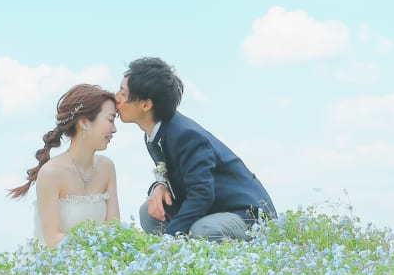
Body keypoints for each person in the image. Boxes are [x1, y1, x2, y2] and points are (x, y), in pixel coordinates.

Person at [115, 57, 277, 241]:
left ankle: (176, 252)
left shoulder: (186, 136)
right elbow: (174, 176)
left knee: (203, 231)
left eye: (123, 93)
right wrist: (159, 185)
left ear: (146, 104)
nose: (116, 98)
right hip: (215, 210)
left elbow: (202, 194)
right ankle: (178, 256)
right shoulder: (154, 132)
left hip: (248, 215)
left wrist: (168, 239)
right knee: (149, 211)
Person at [9, 84, 121, 247]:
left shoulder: (107, 167)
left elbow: (116, 231)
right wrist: (97, 248)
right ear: (84, 122)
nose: (114, 129)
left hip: (102, 261)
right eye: (110, 120)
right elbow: (53, 240)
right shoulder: (51, 173)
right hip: (56, 261)